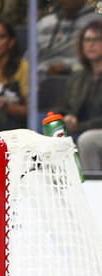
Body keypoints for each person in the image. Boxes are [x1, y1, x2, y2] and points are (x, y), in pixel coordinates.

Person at [53, 20, 102, 171]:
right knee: (51, 136)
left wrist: (79, 126)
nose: (91, 44)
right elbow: (63, 106)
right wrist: (66, 118)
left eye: (97, 39)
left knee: (86, 140)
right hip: (78, 130)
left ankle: (93, 191)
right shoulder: (78, 77)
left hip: (91, 131)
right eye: (87, 40)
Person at [37, 0, 98, 77]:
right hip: (39, 77)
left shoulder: (96, 22)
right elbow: (28, 58)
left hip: (79, 77)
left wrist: (68, 67)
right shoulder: (44, 23)